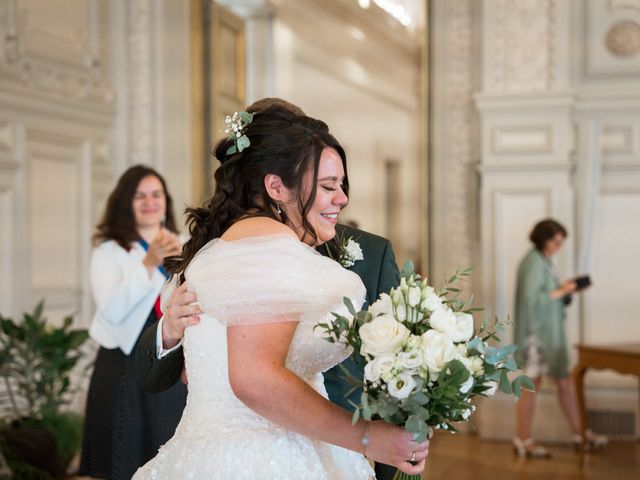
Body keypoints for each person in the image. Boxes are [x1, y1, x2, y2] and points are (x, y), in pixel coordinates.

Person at [132, 103, 428, 479]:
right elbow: (254, 378)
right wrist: (368, 438)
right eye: (327, 186)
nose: (342, 198)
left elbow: (393, 380)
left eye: (341, 185)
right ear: (274, 185)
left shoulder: (223, 250)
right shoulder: (256, 249)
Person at [79, 165, 187, 480]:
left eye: (156, 195)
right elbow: (112, 310)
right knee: (124, 450)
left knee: (167, 443)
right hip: (124, 360)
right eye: (140, 196)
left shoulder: (183, 241)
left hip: (169, 352)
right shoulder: (108, 250)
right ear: (126, 202)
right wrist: (149, 263)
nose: (150, 202)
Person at [513, 218, 607, 458]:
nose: (558, 246)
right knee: (532, 386)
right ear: (544, 238)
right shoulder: (533, 262)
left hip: (546, 335)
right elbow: (533, 301)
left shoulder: (543, 261)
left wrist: (564, 290)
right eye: (556, 241)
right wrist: (564, 290)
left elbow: (547, 295)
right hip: (538, 337)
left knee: (561, 382)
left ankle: (579, 433)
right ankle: (524, 439)